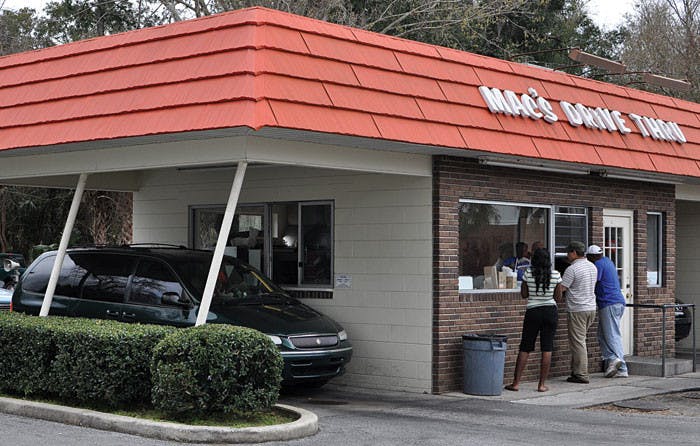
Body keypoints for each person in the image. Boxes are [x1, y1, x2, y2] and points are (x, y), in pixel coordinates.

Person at [505, 248, 562, 392]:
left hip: (533, 311)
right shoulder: (556, 275)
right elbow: (558, 297)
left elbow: (524, 294)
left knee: (525, 347)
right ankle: (541, 385)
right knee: (547, 347)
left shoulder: (527, 274)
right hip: (550, 311)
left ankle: (516, 383)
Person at [586, 244, 628, 378]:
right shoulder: (607, 261)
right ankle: (613, 360)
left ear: (592, 256)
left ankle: (622, 367)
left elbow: (593, 282)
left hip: (608, 302)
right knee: (602, 334)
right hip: (617, 302)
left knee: (612, 335)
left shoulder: (598, 264)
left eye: (588, 257)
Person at [559, 241, 597, 384]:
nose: (567, 255)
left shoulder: (572, 269)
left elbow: (562, 288)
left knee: (578, 342)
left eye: (568, 252)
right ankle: (576, 371)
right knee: (580, 340)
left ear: (574, 252)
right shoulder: (592, 266)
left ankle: (581, 374)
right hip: (591, 308)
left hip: (578, 309)